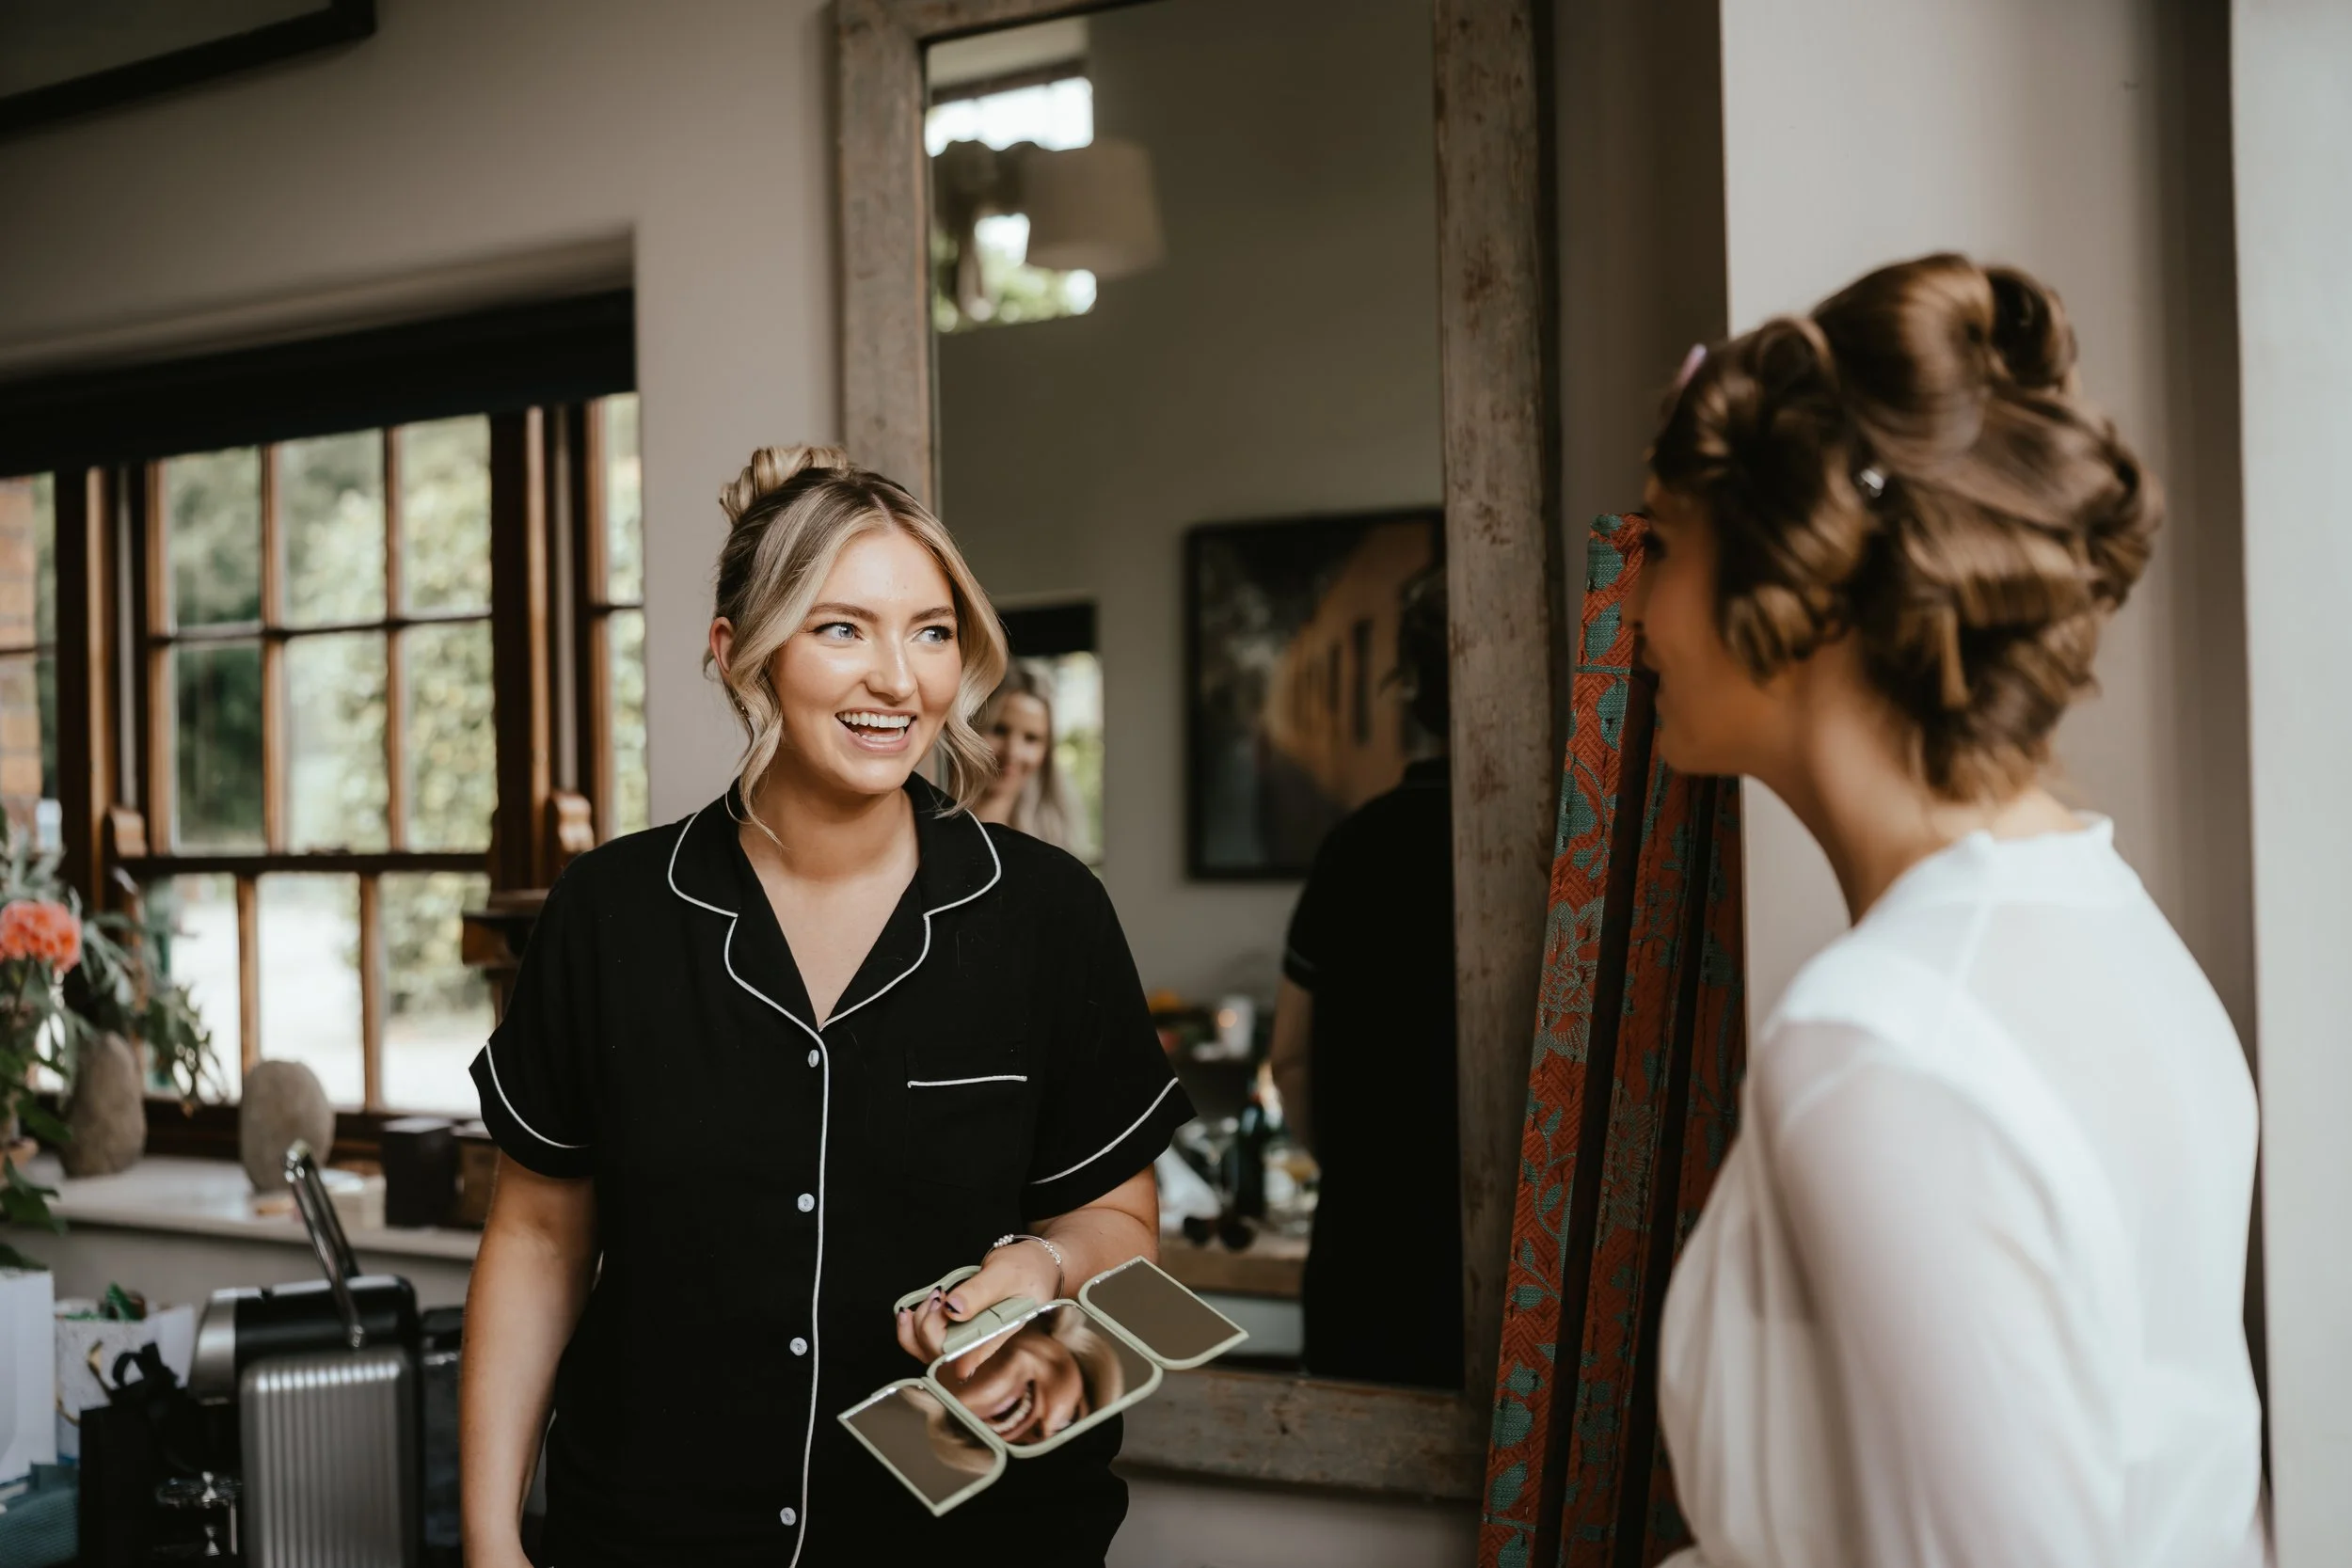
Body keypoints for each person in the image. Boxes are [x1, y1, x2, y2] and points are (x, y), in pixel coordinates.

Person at [458, 446, 1195, 1568]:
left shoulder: (1045, 914)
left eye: (932, 630)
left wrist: (1037, 1268)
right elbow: (535, 1239)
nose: (898, 680)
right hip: (654, 1533)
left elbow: (1119, 1223)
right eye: (841, 627)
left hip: (974, 1539)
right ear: (736, 653)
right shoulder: (611, 913)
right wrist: (488, 1541)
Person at [1640, 255, 2265, 1568]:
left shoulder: (1878, 1039)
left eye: (1657, 547)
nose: (1633, 615)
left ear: (1794, 581)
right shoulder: (2111, 926)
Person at [1267, 564, 1462, 1389]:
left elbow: (1292, 1059)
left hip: (1366, 1251)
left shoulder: (1356, 848)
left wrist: (1360, 1162)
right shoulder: (1567, 846)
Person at [973, 663, 1085, 855]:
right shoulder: (928, 821)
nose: (1012, 752)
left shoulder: (1054, 836)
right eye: (999, 730)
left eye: (1031, 738)